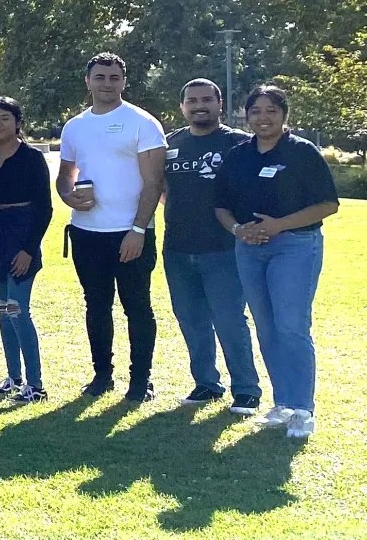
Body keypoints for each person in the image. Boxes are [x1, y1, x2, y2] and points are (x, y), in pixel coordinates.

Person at [215, 86, 338, 439]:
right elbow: (220, 205)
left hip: (295, 245)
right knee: (266, 327)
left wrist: (278, 225)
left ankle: (302, 409)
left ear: (284, 115)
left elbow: (328, 204)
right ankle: (282, 403)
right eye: (256, 111)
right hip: (249, 248)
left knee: (291, 326)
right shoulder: (238, 156)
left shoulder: (302, 152)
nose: (263, 117)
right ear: (246, 115)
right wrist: (239, 230)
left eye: (271, 110)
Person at [57, 52, 167, 403]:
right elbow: (64, 179)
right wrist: (69, 198)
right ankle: (102, 375)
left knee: (137, 307)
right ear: (87, 81)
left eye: (114, 77)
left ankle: (141, 381)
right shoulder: (74, 126)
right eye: (100, 77)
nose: (107, 83)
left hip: (131, 232)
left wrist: (138, 229)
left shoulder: (142, 122)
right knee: (96, 305)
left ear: (124, 81)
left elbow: (154, 183)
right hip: (87, 233)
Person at [163, 78, 262, 413]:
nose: (199, 105)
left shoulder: (240, 143)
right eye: (192, 100)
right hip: (177, 248)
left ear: (220, 104)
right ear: (183, 106)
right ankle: (206, 384)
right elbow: (161, 189)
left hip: (224, 249)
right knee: (191, 319)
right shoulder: (170, 143)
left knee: (229, 319)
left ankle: (247, 390)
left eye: (206, 99)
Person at [0, 97, 52, 403]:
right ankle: (14, 377)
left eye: (4, 118)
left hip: (21, 232)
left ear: (17, 122)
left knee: (18, 309)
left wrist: (28, 249)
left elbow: (44, 209)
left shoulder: (31, 158)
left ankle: (36, 384)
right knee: (4, 311)